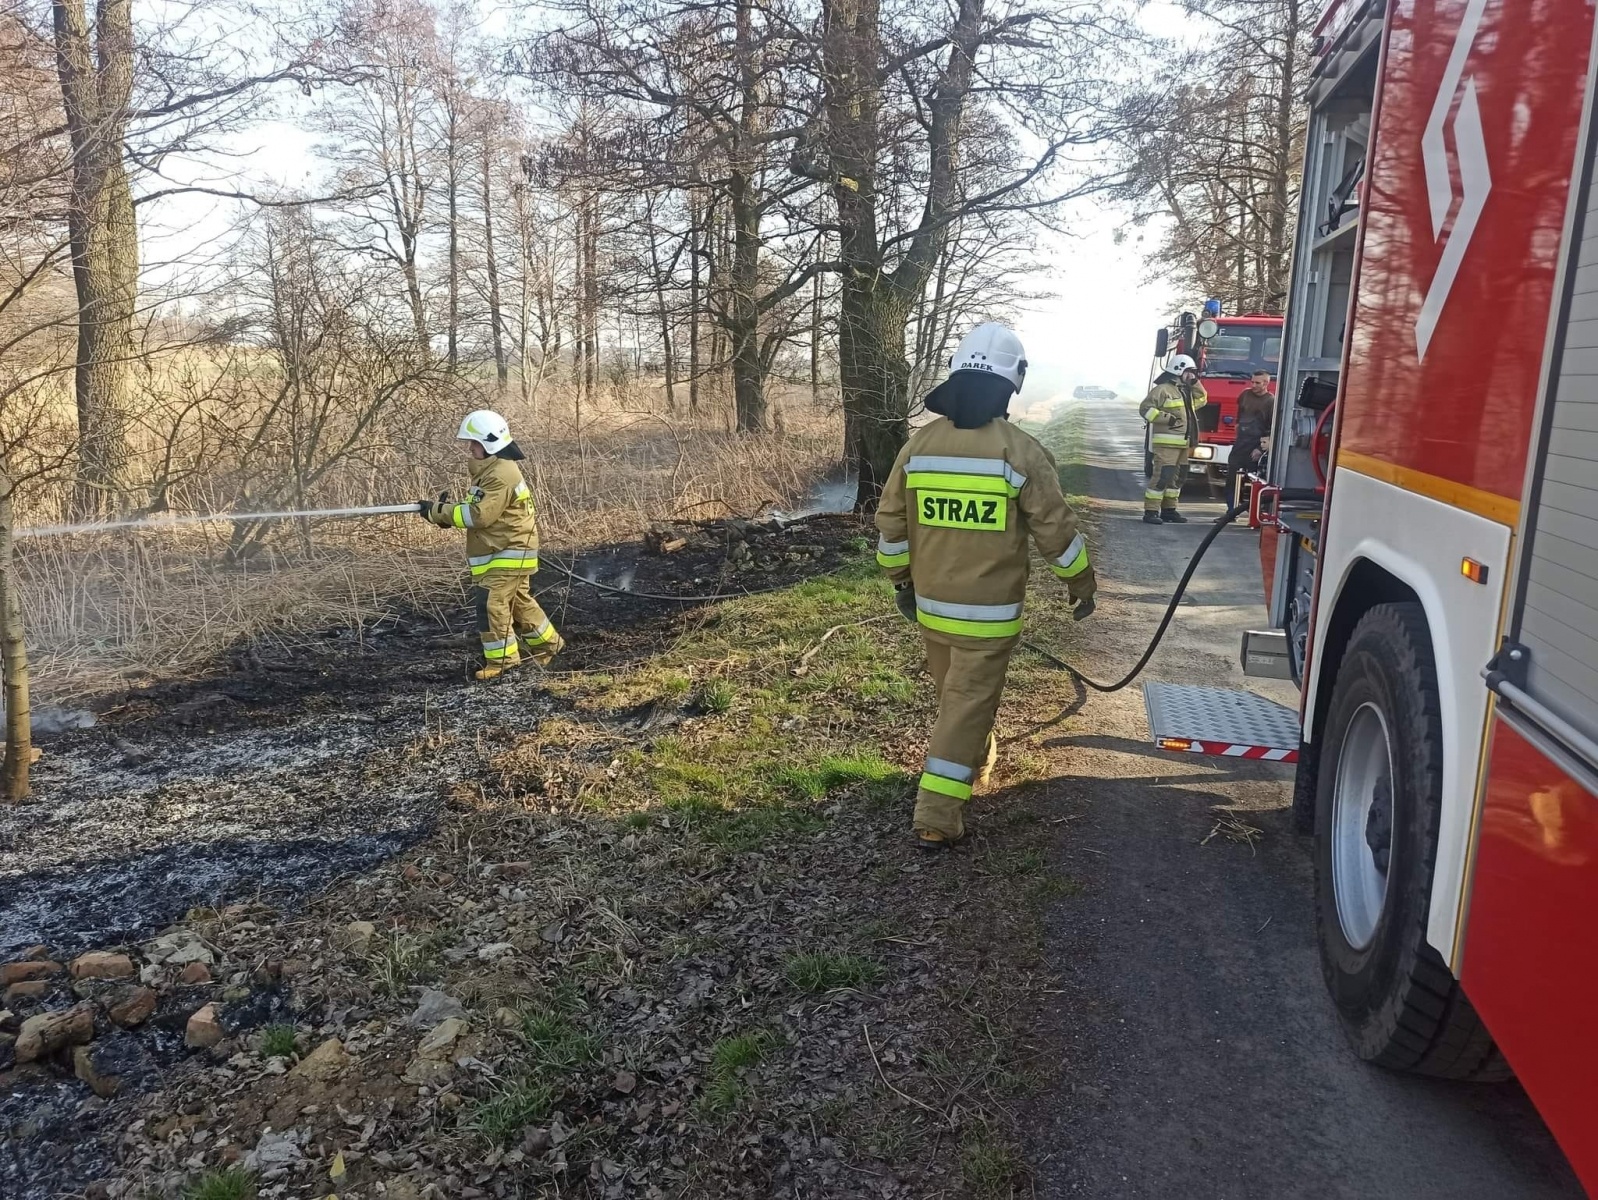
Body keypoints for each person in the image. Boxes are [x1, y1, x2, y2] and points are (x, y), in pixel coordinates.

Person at [876, 323, 1097, 851]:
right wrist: (1081, 584)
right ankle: (936, 815)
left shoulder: (919, 447)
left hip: (930, 610)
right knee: (965, 707)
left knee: (958, 702)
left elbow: (890, 523)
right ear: (1008, 387)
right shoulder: (1018, 452)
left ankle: (975, 758)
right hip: (987, 617)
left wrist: (900, 581)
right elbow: (1057, 532)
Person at [420, 409, 562, 680]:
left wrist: (438, 511)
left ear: (490, 443)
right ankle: (549, 646)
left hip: (507, 552)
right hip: (507, 548)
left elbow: (478, 515)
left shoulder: (500, 474)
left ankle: (503, 663)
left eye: (474, 443)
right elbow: (479, 509)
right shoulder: (494, 470)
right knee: (519, 602)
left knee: (492, 605)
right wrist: (445, 515)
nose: (470, 448)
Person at [1139, 354, 1207, 524]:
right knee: (1162, 476)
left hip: (1183, 444)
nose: (1191, 375)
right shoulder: (1162, 390)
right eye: (1189, 372)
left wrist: (1195, 383)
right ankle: (1151, 512)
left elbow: (1203, 399)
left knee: (1178, 478)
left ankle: (1169, 510)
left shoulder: (1185, 391)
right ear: (1179, 370)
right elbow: (1145, 409)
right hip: (1166, 444)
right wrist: (1167, 418)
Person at [1228, 369, 1275, 508]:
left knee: (1256, 481)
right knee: (1231, 479)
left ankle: (1255, 511)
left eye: (1257, 383)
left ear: (1266, 383)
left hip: (1255, 445)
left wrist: (1260, 449)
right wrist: (1237, 426)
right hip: (1241, 443)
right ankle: (1231, 510)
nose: (1253, 385)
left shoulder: (1270, 401)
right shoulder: (1245, 395)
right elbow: (1239, 414)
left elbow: (1271, 428)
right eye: (1252, 382)